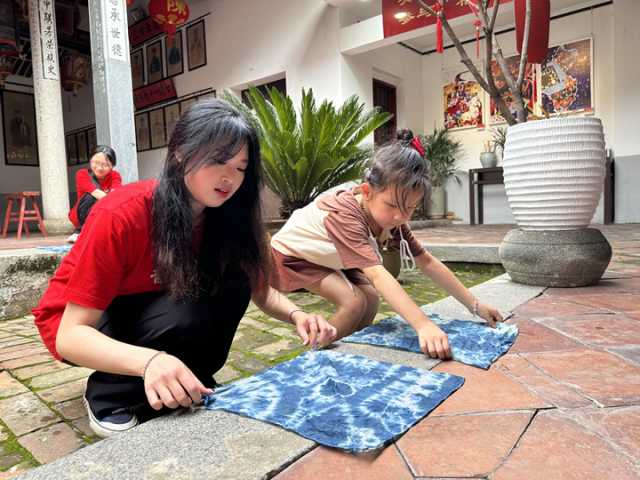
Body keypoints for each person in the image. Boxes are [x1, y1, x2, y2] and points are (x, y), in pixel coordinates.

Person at [32, 99, 336, 438]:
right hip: (79, 319)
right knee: (186, 310)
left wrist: (299, 316)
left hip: (159, 296)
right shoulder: (123, 214)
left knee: (232, 283)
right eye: (218, 160)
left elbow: (260, 291)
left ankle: (190, 380)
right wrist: (150, 361)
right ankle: (110, 394)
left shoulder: (224, 216)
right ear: (180, 152)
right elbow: (71, 336)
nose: (228, 177)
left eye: (240, 167)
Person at [270, 129, 503, 360]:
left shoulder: (393, 220)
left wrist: (475, 305)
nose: (401, 216)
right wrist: (423, 325)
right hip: (294, 255)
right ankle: (312, 355)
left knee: (370, 299)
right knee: (354, 301)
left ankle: (346, 350)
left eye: (411, 208)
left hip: (329, 255)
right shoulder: (345, 215)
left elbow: (427, 262)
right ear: (366, 191)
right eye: (392, 205)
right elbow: (378, 275)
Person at [67, 146, 122, 243]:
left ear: (112, 166)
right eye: (96, 163)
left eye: (105, 165)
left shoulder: (115, 175)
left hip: (102, 212)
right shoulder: (82, 174)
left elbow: (116, 195)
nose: (100, 168)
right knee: (91, 197)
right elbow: (96, 193)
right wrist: (108, 196)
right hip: (82, 213)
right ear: (90, 161)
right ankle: (80, 230)